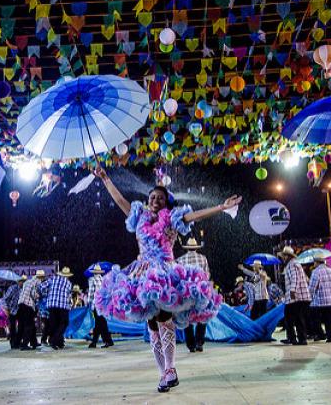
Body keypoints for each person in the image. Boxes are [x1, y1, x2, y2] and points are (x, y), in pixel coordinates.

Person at [93, 167, 238, 393]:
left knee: (163, 319)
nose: (155, 200)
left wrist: (221, 207)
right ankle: (163, 374)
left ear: (166, 203)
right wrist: (104, 178)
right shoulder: (138, 216)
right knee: (151, 325)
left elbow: (194, 216)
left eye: (160, 198)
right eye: (152, 197)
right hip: (141, 272)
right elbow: (120, 199)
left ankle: (171, 368)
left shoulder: (172, 218)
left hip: (165, 272)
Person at [177, 237, 210, 352]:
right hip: (201, 292)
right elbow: (207, 276)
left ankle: (191, 345)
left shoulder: (180, 260)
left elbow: (178, 278)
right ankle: (199, 342)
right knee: (202, 317)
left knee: (187, 318)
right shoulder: (203, 258)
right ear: (196, 248)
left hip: (186, 293)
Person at [307, 254, 331, 342]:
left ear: (316, 262)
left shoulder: (316, 272)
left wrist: (308, 299)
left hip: (320, 303)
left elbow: (312, 288)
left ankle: (321, 334)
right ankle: (330, 337)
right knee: (329, 321)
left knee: (314, 319)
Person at [280, 246, 311, 345]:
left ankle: (300, 339)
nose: (283, 258)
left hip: (297, 296)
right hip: (296, 296)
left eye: (284, 256)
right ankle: (292, 337)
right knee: (291, 316)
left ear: (288, 256)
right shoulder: (292, 264)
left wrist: (293, 290)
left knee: (296, 317)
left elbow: (295, 278)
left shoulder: (293, 264)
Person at [39, 267, 73, 350]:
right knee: (64, 323)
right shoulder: (68, 283)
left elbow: (41, 286)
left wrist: (47, 294)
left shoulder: (53, 279)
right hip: (62, 305)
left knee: (55, 324)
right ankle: (54, 341)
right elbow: (68, 297)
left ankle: (58, 342)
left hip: (51, 305)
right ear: (67, 276)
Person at [87, 264, 114, 349]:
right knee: (101, 322)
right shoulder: (103, 279)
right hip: (103, 304)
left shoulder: (92, 279)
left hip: (96, 304)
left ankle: (106, 341)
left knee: (100, 323)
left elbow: (91, 293)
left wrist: (89, 303)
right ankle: (96, 342)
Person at [18, 269, 45, 350]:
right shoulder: (37, 282)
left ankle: (34, 342)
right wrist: (39, 296)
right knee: (29, 325)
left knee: (31, 325)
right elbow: (33, 294)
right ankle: (24, 345)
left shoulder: (27, 281)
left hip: (21, 304)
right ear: (41, 277)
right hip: (28, 305)